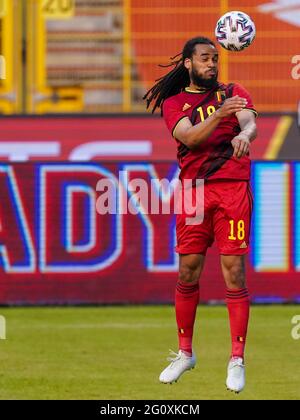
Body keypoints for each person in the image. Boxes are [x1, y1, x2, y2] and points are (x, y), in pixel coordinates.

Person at [144, 37, 257, 394]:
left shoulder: (232, 92)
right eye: (205, 58)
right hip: (194, 192)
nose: (213, 64)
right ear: (189, 64)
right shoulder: (175, 102)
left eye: (215, 58)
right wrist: (221, 116)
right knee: (188, 270)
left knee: (234, 271)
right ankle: (185, 353)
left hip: (231, 188)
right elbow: (190, 139)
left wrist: (247, 134)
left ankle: (236, 358)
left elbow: (249, 122)